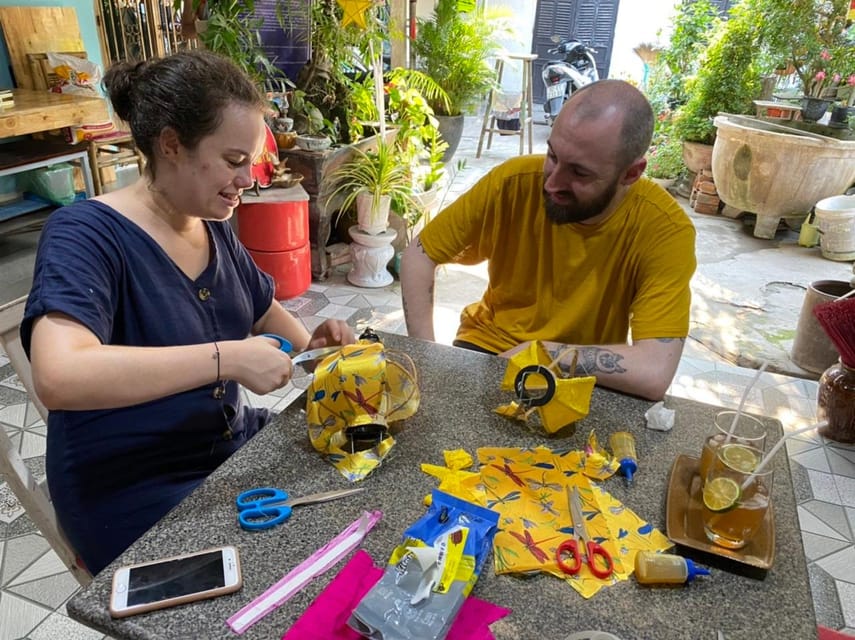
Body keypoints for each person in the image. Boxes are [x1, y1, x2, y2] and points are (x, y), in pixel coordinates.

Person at [21, 50, 354, 575]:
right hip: (132, 490)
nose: (248, 179)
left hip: (227, 454)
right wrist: (227, 358)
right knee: (275, 579)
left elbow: (264, 315)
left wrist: (318, 349)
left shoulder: (211, 221)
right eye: (234, 160)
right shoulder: (85, 233)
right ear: (171, 144)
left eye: (252, 162)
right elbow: (61, 377)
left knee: (350, 502)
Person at [400, 79, 696, 401]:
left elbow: (654, 373)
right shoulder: (512, 183)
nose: (553, 183)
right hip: (488, 348)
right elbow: (420, 253)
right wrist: (426, 357)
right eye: (552, 156)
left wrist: (543, 352)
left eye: (579, 173)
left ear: (631, 174)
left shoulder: (665, 230)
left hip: (579, 373)